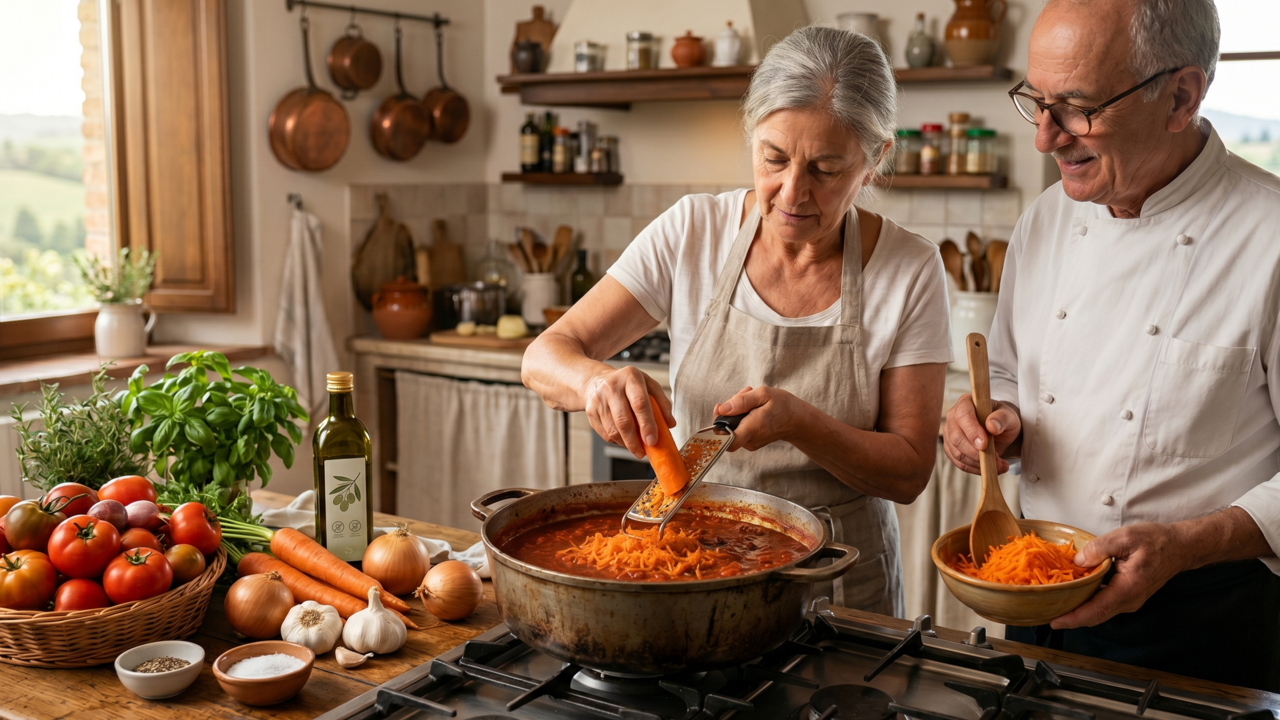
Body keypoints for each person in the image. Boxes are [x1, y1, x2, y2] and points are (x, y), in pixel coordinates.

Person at [521, 26, 954, 615]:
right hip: (693, 565)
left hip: (841, 578)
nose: (792, 193)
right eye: (773, 159)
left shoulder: (910, 268)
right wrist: (595, 381)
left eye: (826, 169)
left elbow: (908, 472)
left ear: (874, 160)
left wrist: (801, 422)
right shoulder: (692, 231)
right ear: (752, 136)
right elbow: (544, 356)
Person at [942, 0, 1280, 690]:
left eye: (1075, 107)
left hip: (1199, 627)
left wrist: (1183, 546)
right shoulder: (1045, 220)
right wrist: (992, 418)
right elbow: (1006, 370)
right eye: (1035, 102)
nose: (1044, 139)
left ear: (1180, 96)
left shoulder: (1269, 236)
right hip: (1032, 588)